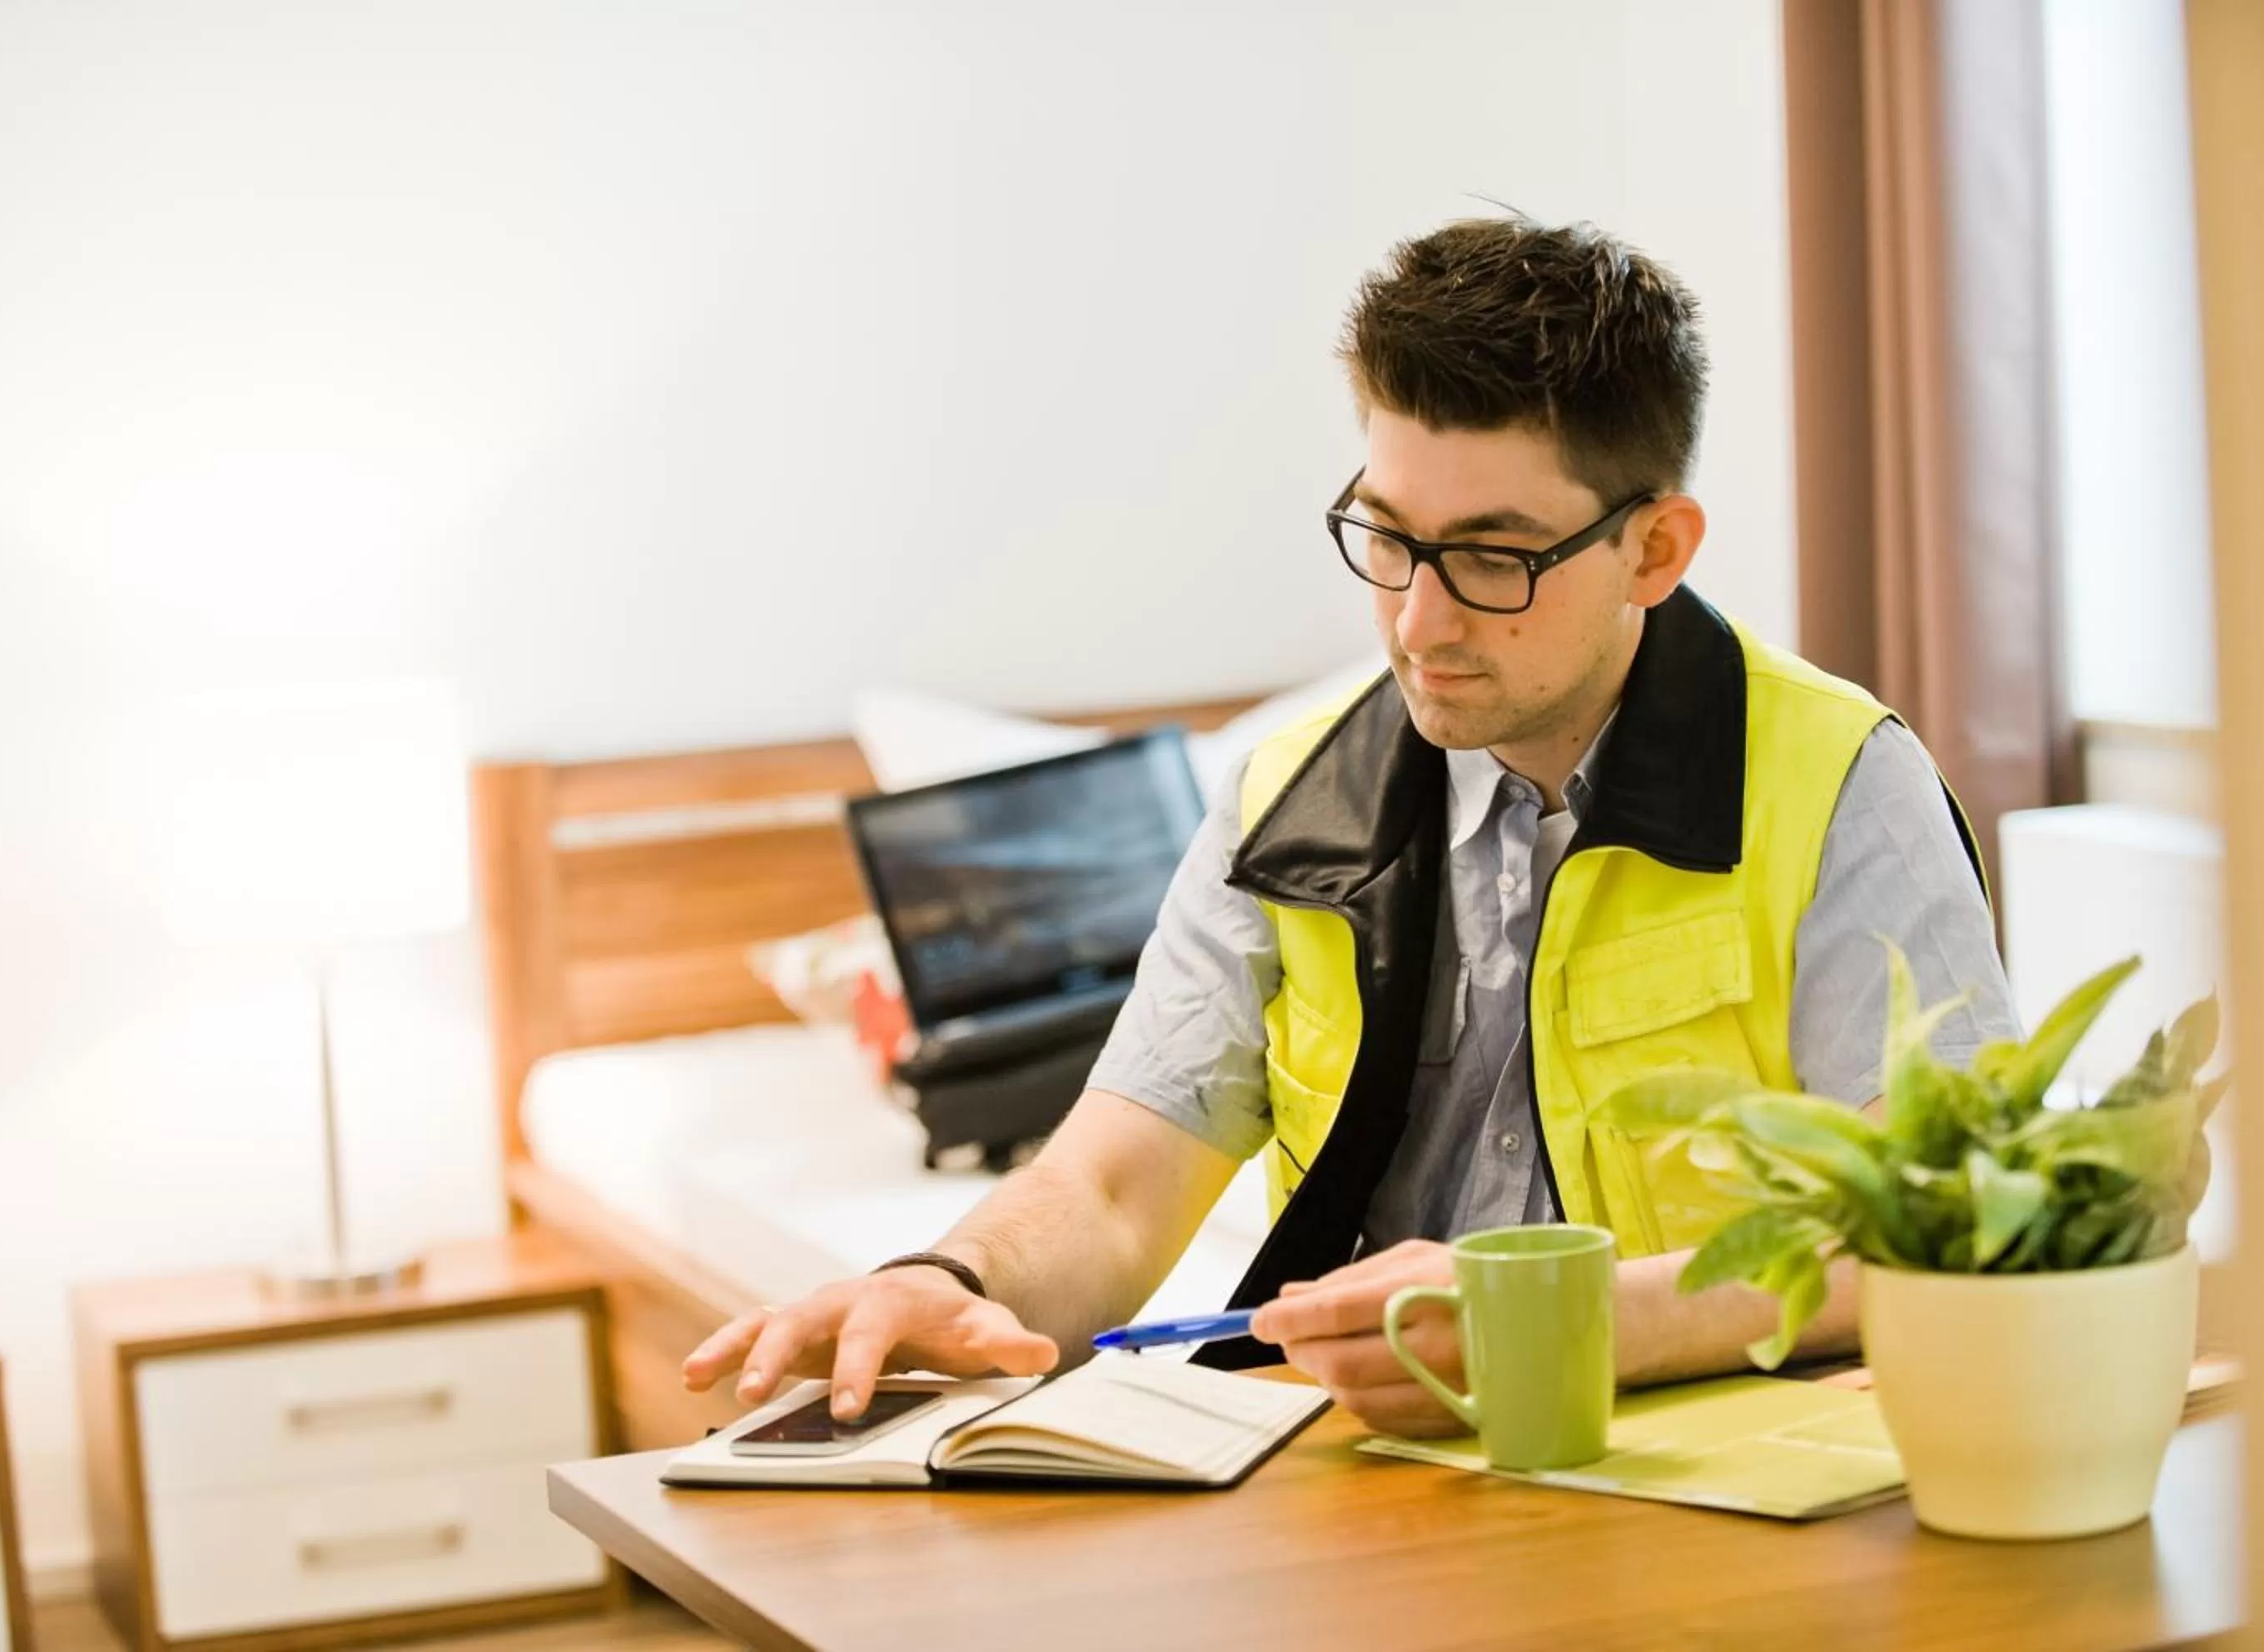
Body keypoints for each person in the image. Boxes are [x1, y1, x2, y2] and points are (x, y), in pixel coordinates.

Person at [682, 218, 2016, 1438]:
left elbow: (1950, 1225)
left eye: (1496, 557)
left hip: (1715, 1480)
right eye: (1388, 536)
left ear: (1656, 551)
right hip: (1356, 1488)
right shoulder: (1284, 803)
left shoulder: (1843, 783)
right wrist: (945, 1275)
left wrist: (1576, 1326)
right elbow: (1108, 1189)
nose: (1418, 626)